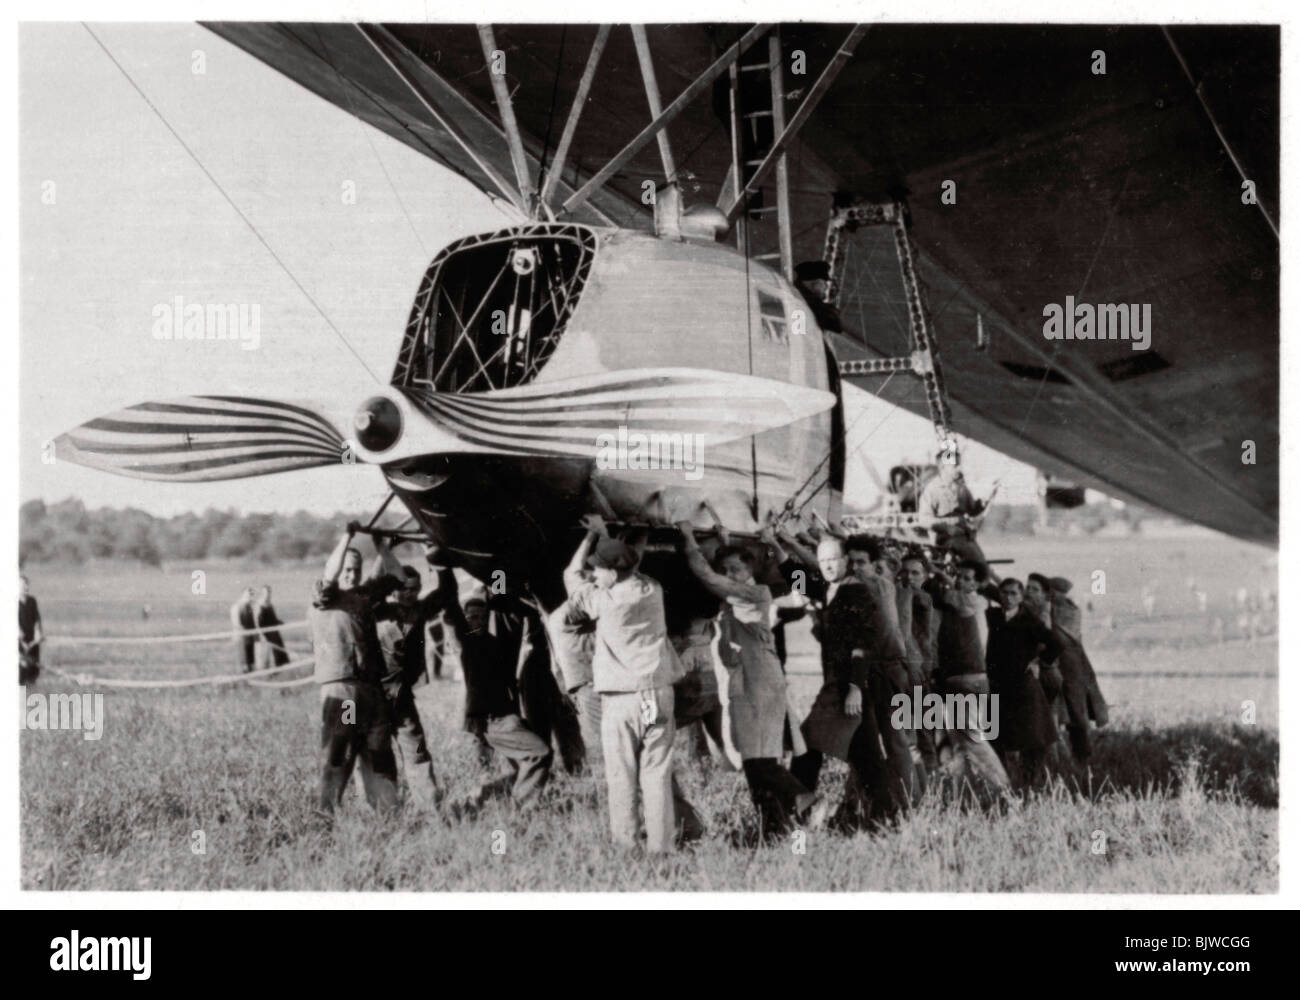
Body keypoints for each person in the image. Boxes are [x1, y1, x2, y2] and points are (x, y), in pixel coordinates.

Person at [678, 521, 826, 839]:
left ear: (749, 570)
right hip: (757, 678)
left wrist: (688, 536)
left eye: (735, 568)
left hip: (756, 680)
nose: (729, 575)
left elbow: (706, 576)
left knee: (757, 761)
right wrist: (723, 539)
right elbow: (724, 577)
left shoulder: (754, 593)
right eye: (726, 569)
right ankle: (774, 827)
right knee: (758, 758)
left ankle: (807, 801)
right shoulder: (745, 594)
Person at [564, 515, 683, 854]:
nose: (593, 574)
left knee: (621, 775)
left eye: (598, 570)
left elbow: (571, 576)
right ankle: (662, 849)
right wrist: (609, 540)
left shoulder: (604, 601)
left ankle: (626, 847)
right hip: (660, 693)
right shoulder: (652, 589)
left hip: (623, 699)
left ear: (612, 574)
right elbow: (633, 565)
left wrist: (590, 536)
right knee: (657, 774)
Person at [790, 536, 900, 829]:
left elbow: (863, 645)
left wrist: (855, 687)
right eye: (822, 560)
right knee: (866, 757)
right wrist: (780, 550)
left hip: (846, 686)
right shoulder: (832, 588)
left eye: (833, 560)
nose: (827, 565)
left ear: (846, 562)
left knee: (807, 748)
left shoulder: (855, 593)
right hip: (838, 685)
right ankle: (885, 819)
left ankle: (799, 815)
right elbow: (799, 582)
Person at [435, 585, 553, 812]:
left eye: (481, 617)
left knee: (529, 760)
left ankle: (487, 797)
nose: (476, 621)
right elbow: (451, 610)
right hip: (488, 720)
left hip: (505, 716)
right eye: (471, 617)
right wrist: (444, 568)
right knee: (538, 754)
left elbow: (506, 609)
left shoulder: (495, 644)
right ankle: (518, 807)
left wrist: (497, 584)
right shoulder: (464, 643)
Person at [309, 531, 403, 815]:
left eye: (356, 569)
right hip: (344, 692)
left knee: (379, 754)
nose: (351, 574)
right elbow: (330, 572)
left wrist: (381, 546)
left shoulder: (364, 595)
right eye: (346, 569)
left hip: (370, 692)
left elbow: (397, 576)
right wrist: (346, 538)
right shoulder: (324, 596)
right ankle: (326, 815)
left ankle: (387, 818)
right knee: (340, 751)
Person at [930, 559, 1011, 800]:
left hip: (967, 680)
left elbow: (946, 595)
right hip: (962, 680)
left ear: (977, 583)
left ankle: (1004, 789)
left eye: (967, 578)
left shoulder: (970, 600)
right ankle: (958, 795)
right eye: (959, 576)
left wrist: (935, 572)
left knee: (973, 741)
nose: (960, 581)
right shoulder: (963, 601)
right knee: (961, 744)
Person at [373, 562, 443, 810]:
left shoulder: (420, 611)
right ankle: (384, 812)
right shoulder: (378, 610)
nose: (408, 594)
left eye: (413, 589)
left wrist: (436, 558)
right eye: (402, 588)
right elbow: (373, 587)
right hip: (375, 697)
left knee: (416, 752)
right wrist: (384, 554)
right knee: (379, 756)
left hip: (402, 696)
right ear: (392, 590)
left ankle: (430, 810)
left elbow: (447, 592)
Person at [984, 577, 1061, 786]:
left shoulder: (1029, 620)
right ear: (999, 595)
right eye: (1004, 593)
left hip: (1022, 687)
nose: (1008, 598)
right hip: (997, 685)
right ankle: (1002, 781)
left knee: (1032, 737)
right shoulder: (992, 616)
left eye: (1013, 594)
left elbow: (1055, 643)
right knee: (995, 736)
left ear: (1021, 597)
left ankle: (1030, 782)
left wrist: (1039, 661)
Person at [1027, 574, 1108, 764]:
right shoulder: (1067, 608)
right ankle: (1077, 759)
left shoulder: (1063, 610)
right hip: (1071, 667)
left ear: (1052, 594)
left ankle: (1077, 758)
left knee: (1074, 715)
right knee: (1074, 715)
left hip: (1069, 667)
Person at [900, 552, 939, 775]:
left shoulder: (923, 599)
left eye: (915, 573)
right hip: (912, 672)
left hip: (919, 673)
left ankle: (928, 778)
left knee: (921, 733)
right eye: (905, 572)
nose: (909, 577)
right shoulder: (903, 597)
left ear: (925, 576)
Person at [253, 585, 290, 668]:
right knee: (270, 653)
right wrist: (261, 635)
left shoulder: (270, 604)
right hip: (266, 633)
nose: (268, 594)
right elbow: (257, 623)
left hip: (274, 632)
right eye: (266, 592)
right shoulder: (259, 605)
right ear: (262, 593)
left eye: (269, 592)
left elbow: (272, 619)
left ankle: (282, 668)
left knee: (280, 650)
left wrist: (279, 622)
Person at [19, 575, 43, 685]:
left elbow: (37, 618)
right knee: (22, 666)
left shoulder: (32, 601)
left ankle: (32, 687)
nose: (26, 587)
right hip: (19, 641)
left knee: (34, 667)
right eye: (22, 585)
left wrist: (38, 632)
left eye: (27, 584)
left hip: (32, 640)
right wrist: (20, 639)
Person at [230, 587, 257, 673]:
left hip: (250, 638)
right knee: (243, 660)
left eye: (252, 594)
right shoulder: (236, 607)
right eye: (248, 594)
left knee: (250, 660)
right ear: (243, 595)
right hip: (241, 637)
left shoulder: (251, 607)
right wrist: (244, 632)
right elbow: (236, 623)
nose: (250, 596)